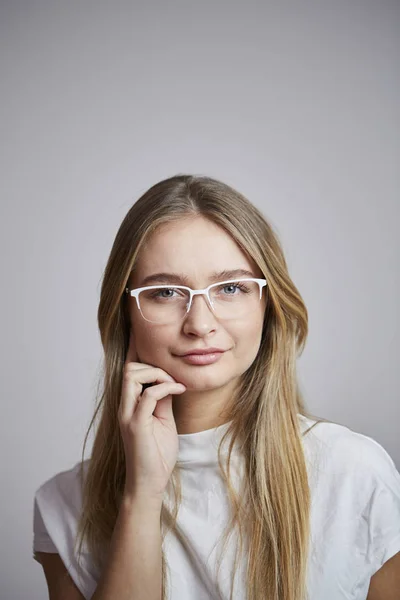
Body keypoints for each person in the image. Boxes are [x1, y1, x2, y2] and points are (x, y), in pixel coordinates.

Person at [32, 174, 400, 600]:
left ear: (268, 305)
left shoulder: (355, 473)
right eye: (166, 292)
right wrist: (143, 495)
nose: (201, 324)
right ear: (126, 313)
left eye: (231, 288)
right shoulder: (63, 505)